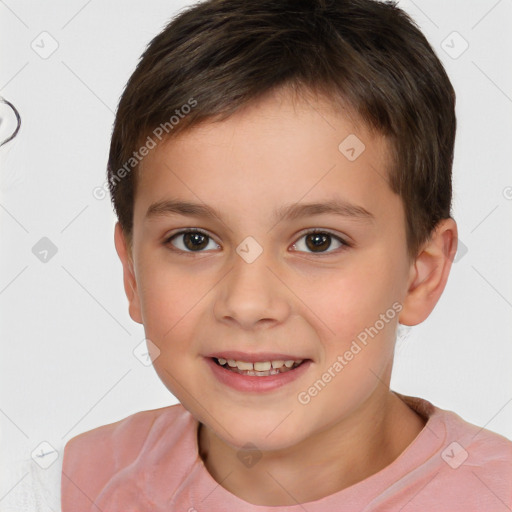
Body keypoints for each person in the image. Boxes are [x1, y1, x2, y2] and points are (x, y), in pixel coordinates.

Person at [60, 0, 512, 510]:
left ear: (420, 274)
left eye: (319, 241)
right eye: (194, 240)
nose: (248, 304)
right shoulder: (74, 484)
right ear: (133, 274)